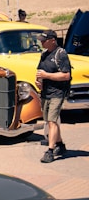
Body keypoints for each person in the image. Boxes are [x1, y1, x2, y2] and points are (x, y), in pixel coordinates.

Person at [35, 30, 71, 163]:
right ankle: (60, 145)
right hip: (46, 93)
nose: (41, 42)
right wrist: (39, 81)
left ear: (52, 40)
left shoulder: (61, 54)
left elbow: (66, 75)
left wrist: (46, 76)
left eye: (44, 40)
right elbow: (40, 71)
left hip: (58, 92)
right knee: (50, 121)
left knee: (52, 121)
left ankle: (50, 151)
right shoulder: (44, 54)